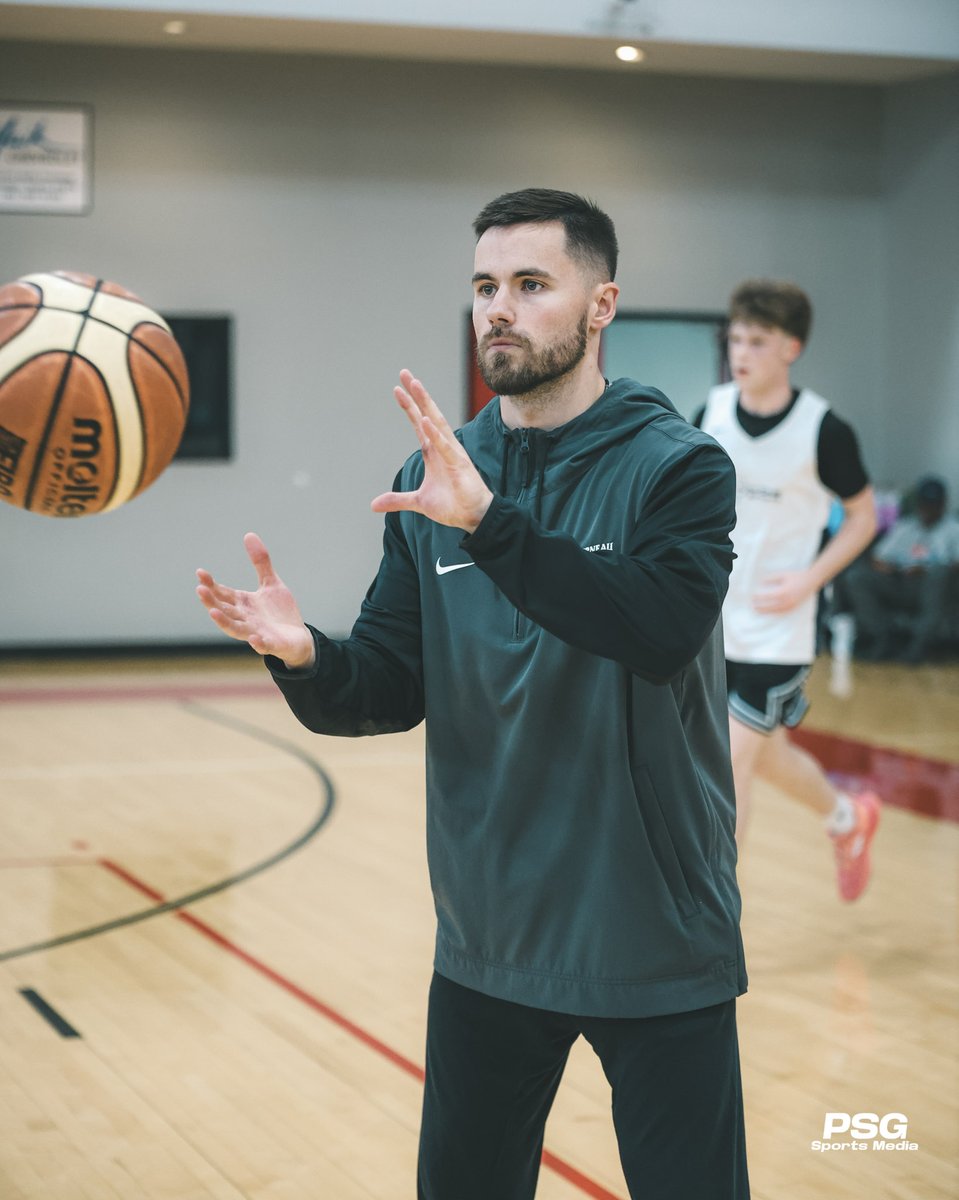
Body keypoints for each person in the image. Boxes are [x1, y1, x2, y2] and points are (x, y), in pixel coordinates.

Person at [197, 188, 749, 1200]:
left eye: (531, 285)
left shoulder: (677, 468)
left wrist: (493, 528)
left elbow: (657, 630)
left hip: (652, 929)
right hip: (489, 934)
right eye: (484, 286)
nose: (498, 307)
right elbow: (387, 686)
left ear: (600, 305)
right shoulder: (433, 474)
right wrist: (304, 656)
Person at [693, 280, 880, 901]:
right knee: (765, 757)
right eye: (736, 339)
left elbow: (864, 518)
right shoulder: (710, 412)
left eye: (758, 340)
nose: (741, 352)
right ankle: (848, 817)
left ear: (791, 347)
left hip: (781, 630)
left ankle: (714, 916)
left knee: (731, 761)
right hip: (716, 621)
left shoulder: (824, 429)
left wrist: (809, 579)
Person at [843, 475, 959, 663]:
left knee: (939, 575)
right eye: (925, 503)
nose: (928, 508)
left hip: (934, 586)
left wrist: (927, 569)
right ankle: (882, 637)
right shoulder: (905, 527)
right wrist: (896, 569)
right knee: (857, 576)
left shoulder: (953, 529)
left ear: (943, 504)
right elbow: (878, 558)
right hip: (901, 581)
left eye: (933, 504)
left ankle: (919, 645)